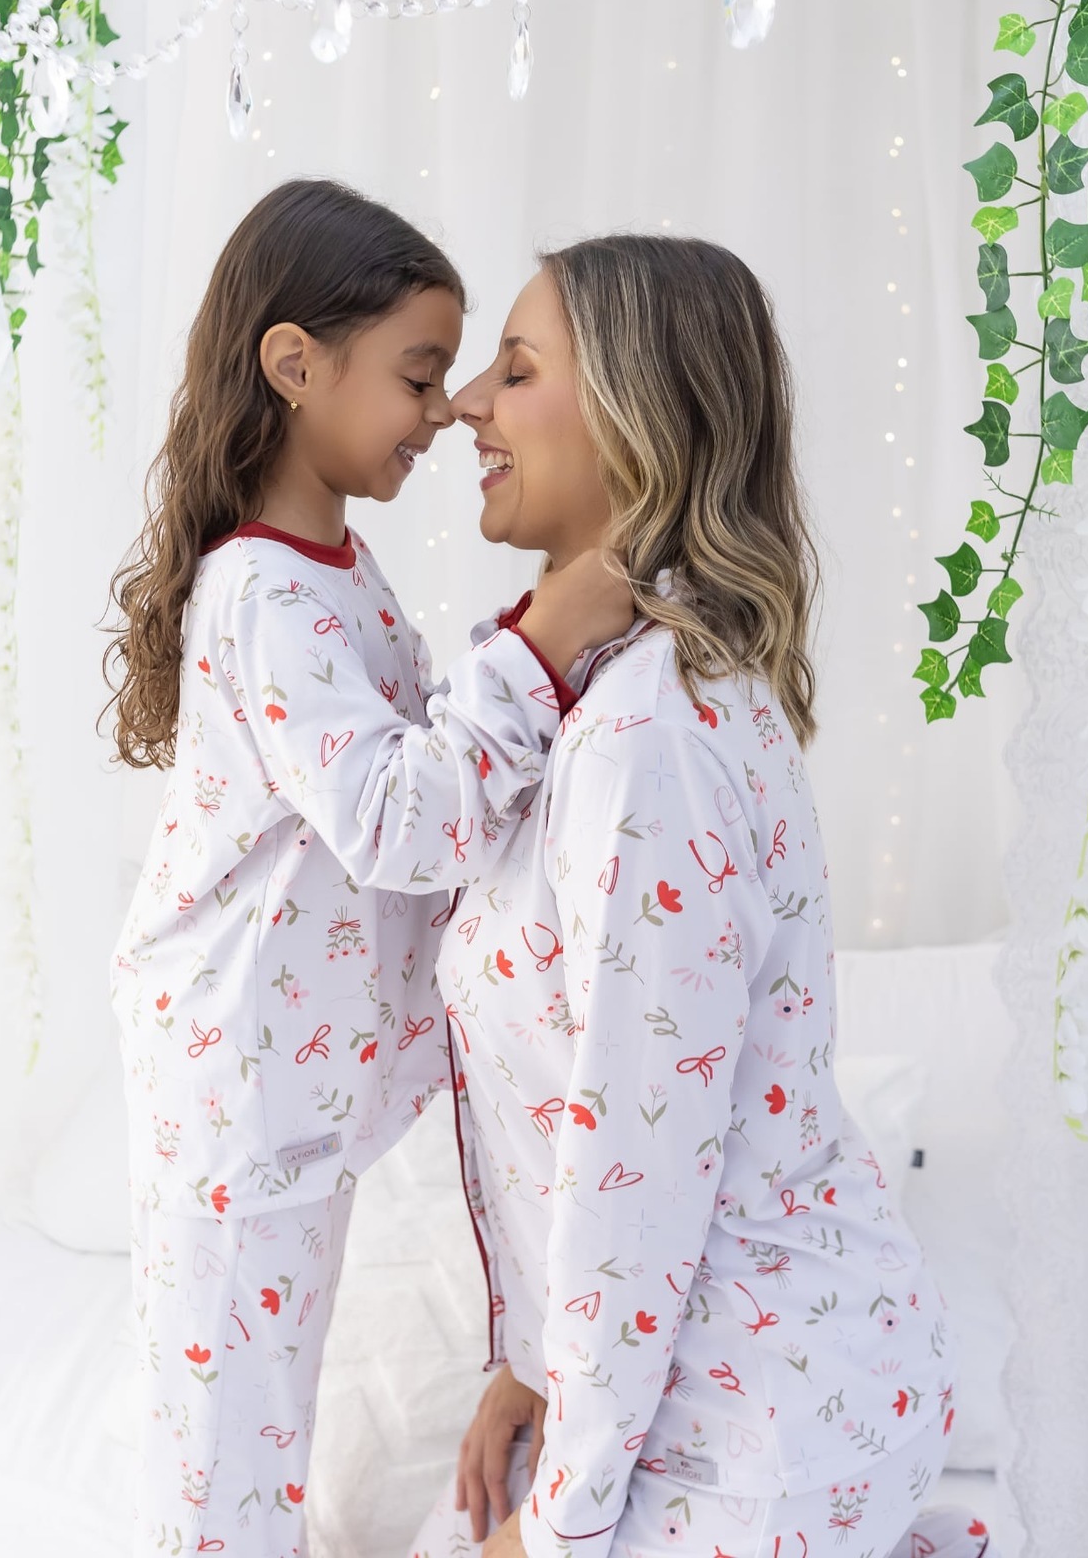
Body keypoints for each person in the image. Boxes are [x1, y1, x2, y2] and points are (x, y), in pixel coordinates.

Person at [409, 236, 1000, 1558]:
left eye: (515, 372)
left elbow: (636, 1167)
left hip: (761, 1427)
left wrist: (555, 1522)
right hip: (712, 1391)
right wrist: (531, 1366)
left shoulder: (646, 744)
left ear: (636, 420)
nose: (462, 408)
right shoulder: (606, 704)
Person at [103, 179, 634, 1558]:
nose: (447, 411)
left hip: (286, 1085)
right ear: (295, 366)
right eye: (419, 374)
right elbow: (399, 819)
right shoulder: (264, 592)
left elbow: (415, 763)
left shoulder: (332, 567)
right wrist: (543, 638)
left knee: (260, 1424)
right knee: (225, 1458)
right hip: (234, 1090)